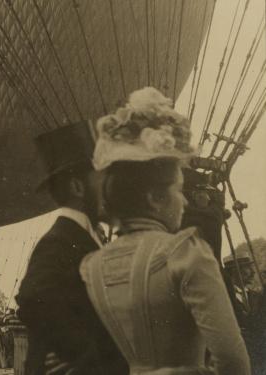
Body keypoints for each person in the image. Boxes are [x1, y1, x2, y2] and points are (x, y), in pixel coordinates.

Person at [80, 87, 250, 375]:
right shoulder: (185, 254)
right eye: (178, 190)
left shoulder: (92, 267)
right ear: (155, 198)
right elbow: (234, 364)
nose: (183, 201)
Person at [16, 122, 128, 375]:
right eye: (102, 181)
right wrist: (85, 357)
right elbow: (33, 297)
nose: (108, 191)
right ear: (78, 187)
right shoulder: (60, 240)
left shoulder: (80, 235)